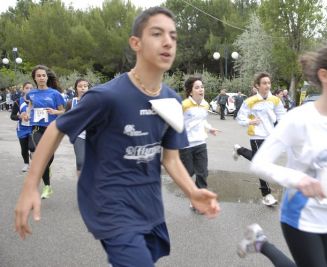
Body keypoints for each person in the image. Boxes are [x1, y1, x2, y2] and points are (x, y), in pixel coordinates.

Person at [15, 7, 219, 267]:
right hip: (109, 203)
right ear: (136, 43)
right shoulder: (107, 96)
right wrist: (30, 185)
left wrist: (193, 191)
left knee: (145, 257)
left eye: (173, 36)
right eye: (157, 34)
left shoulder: (171, 100)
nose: (168, 41)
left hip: (149, 204)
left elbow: (171, 159)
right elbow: (57, 128)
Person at [237, 41, 327, 267]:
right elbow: (259, 163)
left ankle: (260, 243)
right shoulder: (299, 119)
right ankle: (261, 243)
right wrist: (299, 179)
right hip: (301, 215)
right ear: (325, 75)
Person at [235, 72, 286, 206]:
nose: (267, 85)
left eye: (269, 83)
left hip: (271, 136)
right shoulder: (250, 101)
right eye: (264, 83)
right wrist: (250, 122)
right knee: (261, 165)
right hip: (256, 136)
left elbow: (281, 115)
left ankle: (239, 150)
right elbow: (240, 118)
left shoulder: (275, 100)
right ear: (257, 86)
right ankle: (266, 194)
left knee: (262, 163)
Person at [179, 76, 219, 212]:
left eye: (202, 87)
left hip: (201, 142)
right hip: (186, 145)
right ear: (190, 91)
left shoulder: (205, 104)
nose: (201, 89)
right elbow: (176, 123)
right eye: (197, 87)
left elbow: (203, 121)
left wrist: (210, 128)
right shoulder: (184, 105)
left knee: (202, 173)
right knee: (189, 172)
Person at [26, 65, 66, 199]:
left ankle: (47, 183)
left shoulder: (55, 94)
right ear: (35, 78)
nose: (41, 78)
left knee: (47, 159)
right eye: (38, 76)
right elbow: (30, 107)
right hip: (36, 127)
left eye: (43, 75)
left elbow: (63, 111)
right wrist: (26, 114)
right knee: (34, 148)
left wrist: (55, 112)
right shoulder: (31, 94)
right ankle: (47, 186)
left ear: (47, 77)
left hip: (52, 128)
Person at [65, 78, 90, 177]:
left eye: (85, 86)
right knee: (80, 161)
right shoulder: (71, 102)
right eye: (80, 86)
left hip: (94, 135)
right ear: (76, 88)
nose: (83, 88)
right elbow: (65, 118)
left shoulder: (96, 101)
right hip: (79, 135)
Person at [10, 82, 34, 172]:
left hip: (33, 128)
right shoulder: (17, 101)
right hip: (22, 129)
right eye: (27, 88)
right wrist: (19, 116)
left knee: (32, 147)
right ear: (23, 89)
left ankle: (34, 158)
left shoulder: (36, 101)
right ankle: (26, 164)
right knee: (24, 149)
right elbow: (12, 116)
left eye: (31, 88)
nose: (29, 90)